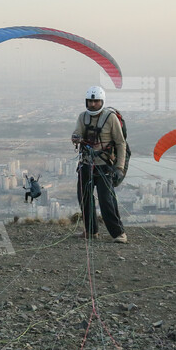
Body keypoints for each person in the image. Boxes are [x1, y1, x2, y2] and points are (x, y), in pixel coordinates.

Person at [71, 86, 127, 243]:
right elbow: (77, 132)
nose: (93, 104)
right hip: (86, 164)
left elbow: (120, 143)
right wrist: (76, 138)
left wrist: (119, 167)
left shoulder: (111, 118)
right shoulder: (83, 117)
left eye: (96, 101)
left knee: (106, 199)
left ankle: (119, 233)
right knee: (84, 197)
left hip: (105, 165)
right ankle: (91, 231)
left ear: (102, 101)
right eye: (90, 101)